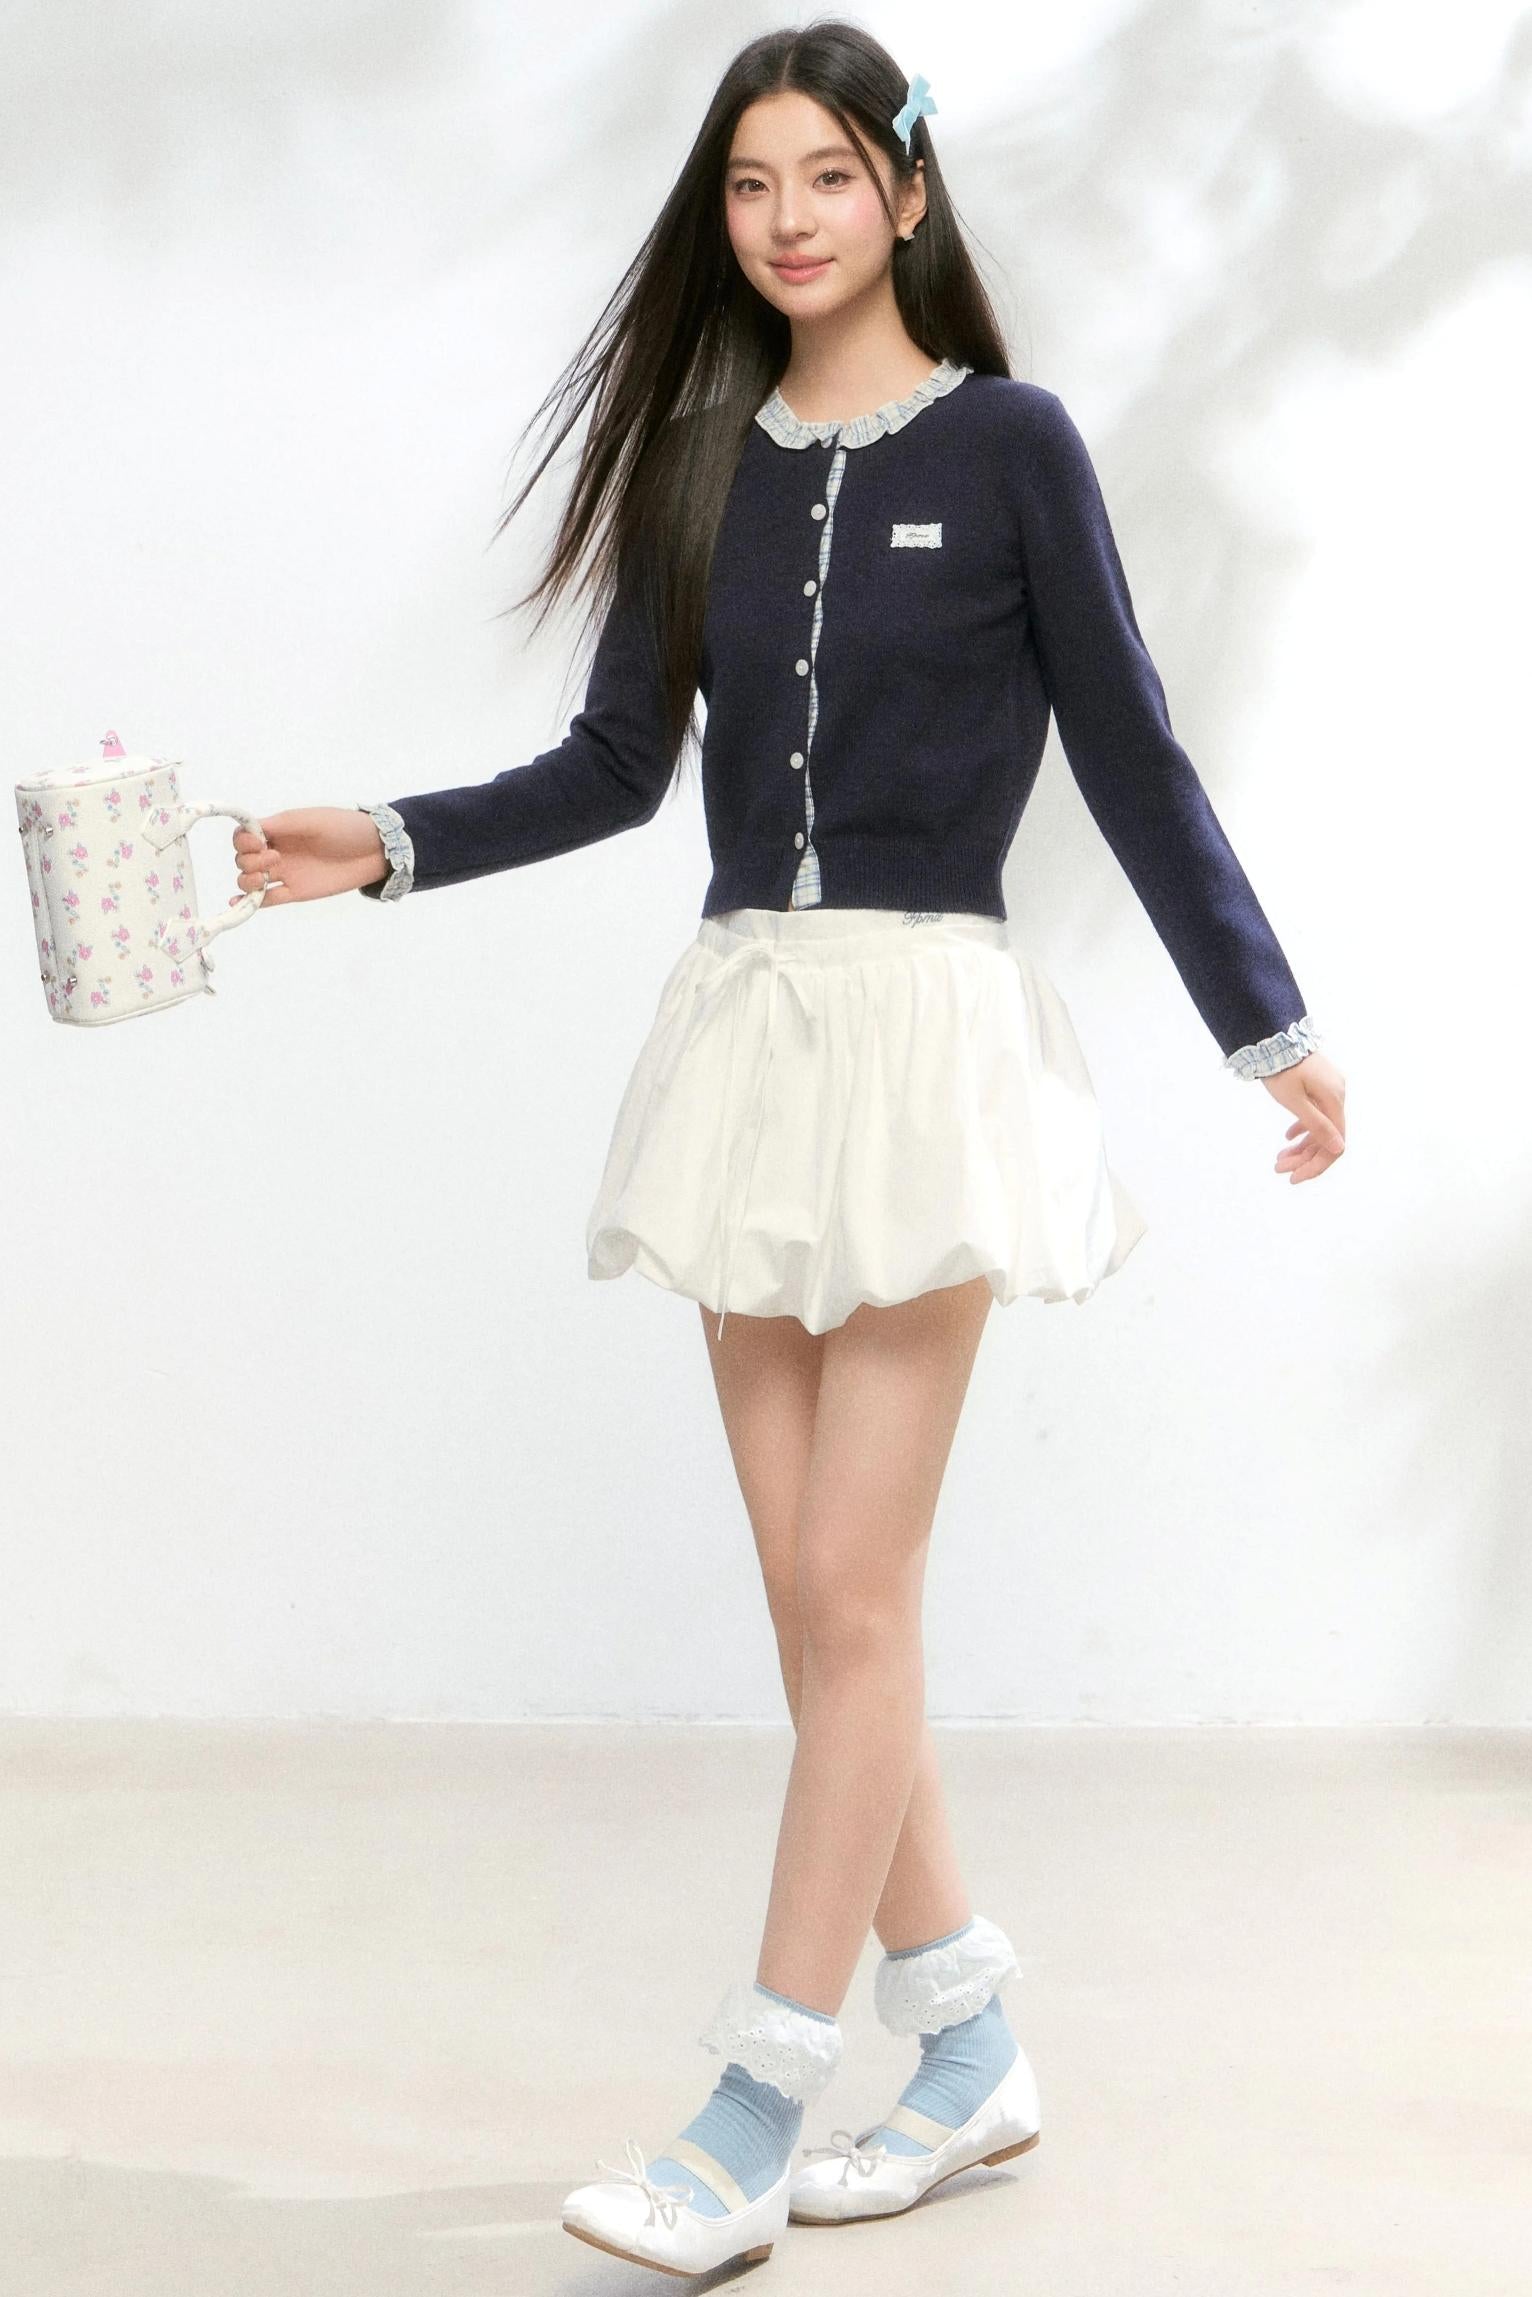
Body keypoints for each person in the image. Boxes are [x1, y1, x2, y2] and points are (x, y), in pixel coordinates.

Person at [230, 22, 1347, 2279]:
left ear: (908, 194)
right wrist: (385, 844)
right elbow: (613, 767)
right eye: (750, 185)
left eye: (827, 175)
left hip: (929, 1046)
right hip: (750, 1039)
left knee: (851, 1594)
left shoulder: (1016, 446)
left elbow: (1131, 749)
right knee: (817, 1608)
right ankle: (968, 2041)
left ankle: (752, 2105)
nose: (786, 220)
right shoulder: (695, 467)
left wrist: (1270, 1026)